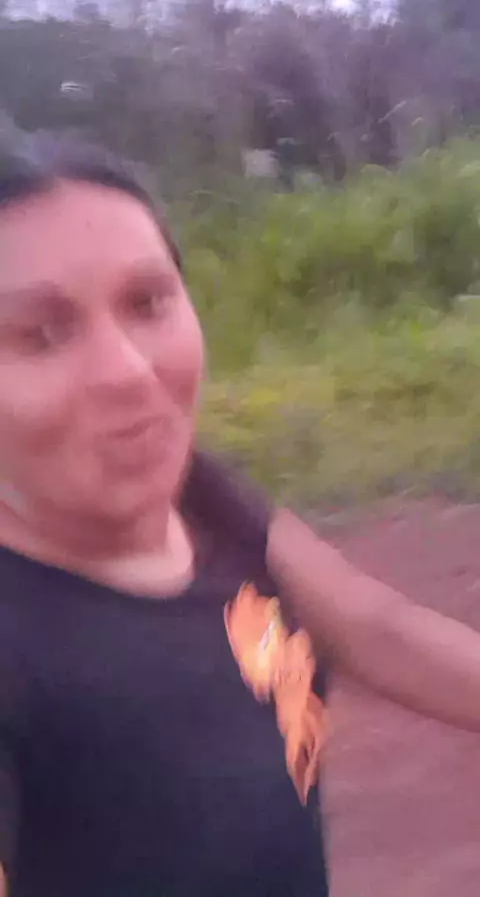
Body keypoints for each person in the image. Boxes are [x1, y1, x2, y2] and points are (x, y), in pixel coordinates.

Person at [1, 136, 480, 897]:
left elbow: (372, 627)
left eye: (148, 302)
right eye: (39, 335)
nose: (130, 372)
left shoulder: (200, 498)